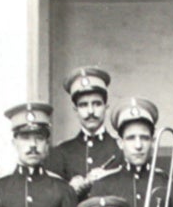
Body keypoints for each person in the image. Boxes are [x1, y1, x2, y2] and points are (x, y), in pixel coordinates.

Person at [45, 66, 120, 197]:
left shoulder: (120, 150)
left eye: (96, 104)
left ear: (106, 108)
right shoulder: (60, 153)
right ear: (76, 110)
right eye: (83, 105)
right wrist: (68, 190)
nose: (91, 111)